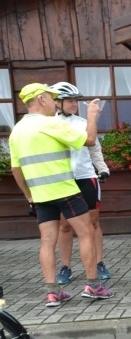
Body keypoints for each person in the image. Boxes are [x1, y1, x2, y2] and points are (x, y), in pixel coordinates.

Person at [8, 83, 114, 306]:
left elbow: (16, 170)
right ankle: (94, 286)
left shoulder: (17, 130)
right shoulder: (51, 124)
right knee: (86, 232)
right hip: (66, 189)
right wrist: (92, 115)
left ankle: (52, 292)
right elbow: (90, 140)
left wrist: (29, 196)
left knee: (47, 242)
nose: (55, 102)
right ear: (42, 99)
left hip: (40, 194)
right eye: (51, 97)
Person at [49, 82, 113, 285]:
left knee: (93, 224)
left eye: (76, 100)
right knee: (65, 225)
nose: (74, 104)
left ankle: (99, 263)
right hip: (63, 179)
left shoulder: (83, 122)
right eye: (69, 100)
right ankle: (65, 266)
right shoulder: (49, 125)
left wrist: (102, 168)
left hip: (86, 177)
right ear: (57, 102)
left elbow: (94, 148)